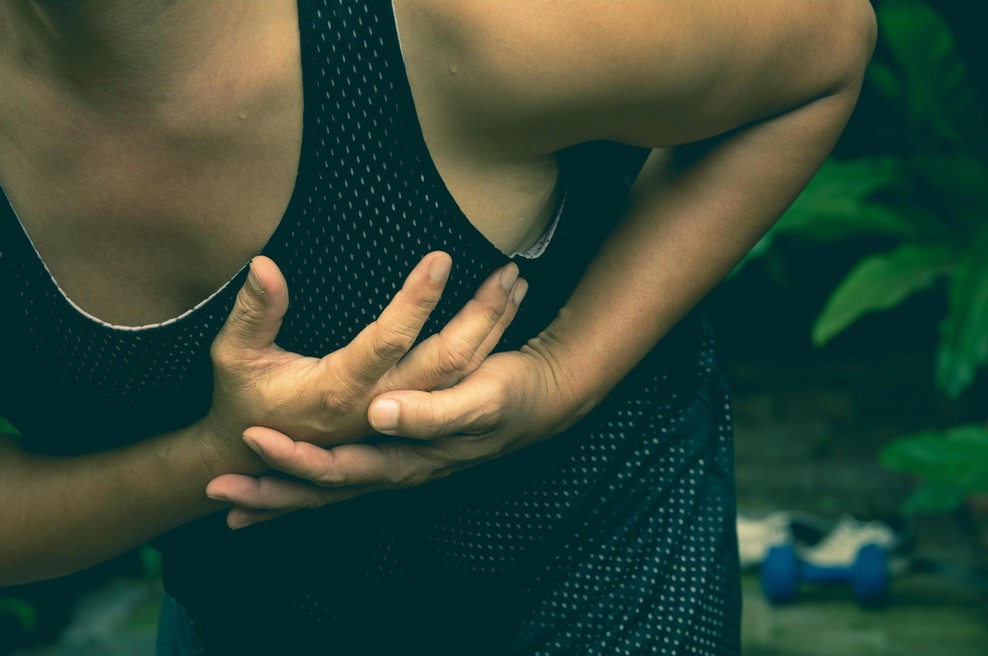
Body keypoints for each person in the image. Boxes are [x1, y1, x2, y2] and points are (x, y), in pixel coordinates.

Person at [0, 0, 877, 653]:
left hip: (593, 579)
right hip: (250, 617)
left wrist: (562, 372)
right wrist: (216, 451)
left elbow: (826, 47)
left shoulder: (468, 26)